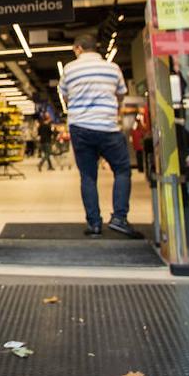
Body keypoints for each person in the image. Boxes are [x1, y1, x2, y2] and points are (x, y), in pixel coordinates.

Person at [58, 34, 138, 238]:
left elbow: (66, 98)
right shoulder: (112, 68)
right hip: (107, 127)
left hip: (80, 127)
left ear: (78, 49)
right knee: (121, 170)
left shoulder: (69, 69)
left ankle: (94, 224)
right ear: (96, 48)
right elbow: (120, 95)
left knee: (88, 176)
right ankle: (120, 218)